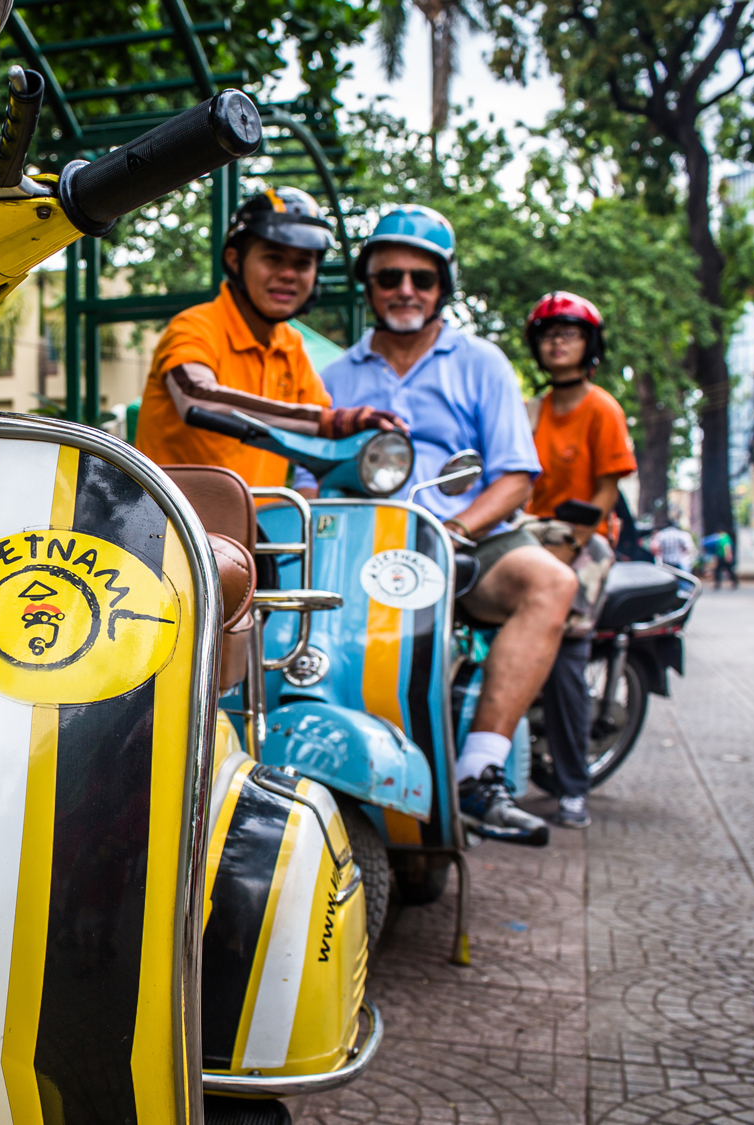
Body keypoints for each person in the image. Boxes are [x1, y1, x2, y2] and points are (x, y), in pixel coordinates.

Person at [319, 205, 578, 846]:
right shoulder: (332, 378)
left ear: (443, 288)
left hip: (468, 541)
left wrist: (453, 530)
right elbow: (308, 480)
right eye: (389, 277)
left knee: (552, 583)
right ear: (369, 287)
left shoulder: (483, 361)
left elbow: (516, 476)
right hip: (356, 544)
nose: (405, 289)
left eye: (421, 278)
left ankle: (480, 770)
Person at [135, 188, 402, 497]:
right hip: (172, 529)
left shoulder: (291, 345)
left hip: (259, 532)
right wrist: (331, 422)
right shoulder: (194, 327)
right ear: (235, 260)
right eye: (273, 258)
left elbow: (323, 438)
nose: (288, 274)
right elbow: (196, 396)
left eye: (303, 263)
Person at [521, 292, 638, 829]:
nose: (558, 340)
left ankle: (573, 788)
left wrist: (570, 546)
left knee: (566, 654)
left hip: (585, 540)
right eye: (548, 333)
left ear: (590, 344)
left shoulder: (602, 408)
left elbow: (608, 491)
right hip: (530, 535)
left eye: (569, 332)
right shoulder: (532, 409)